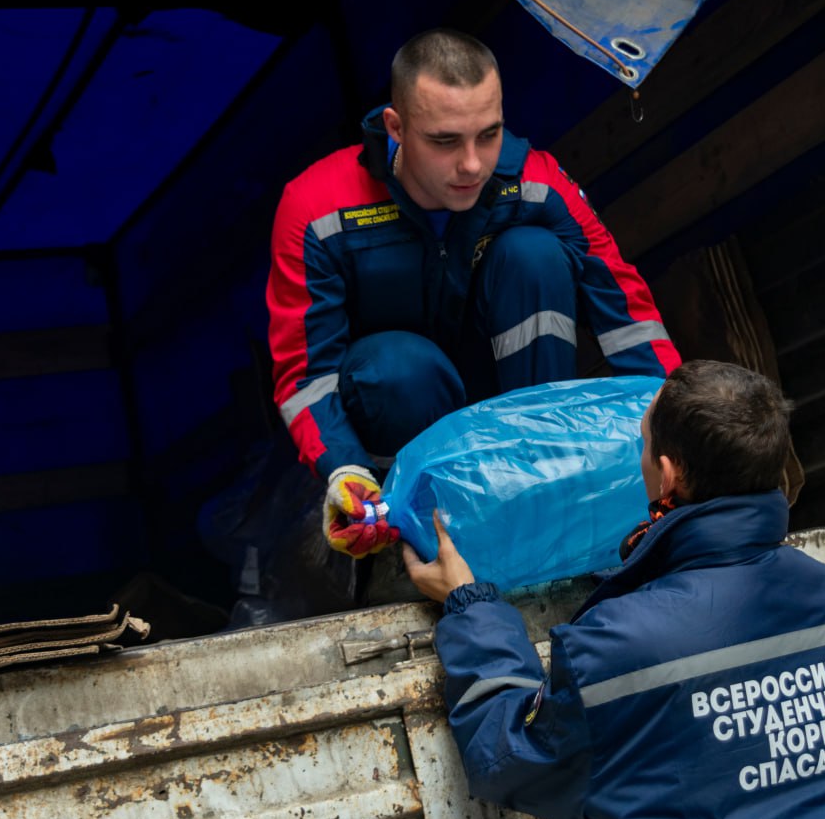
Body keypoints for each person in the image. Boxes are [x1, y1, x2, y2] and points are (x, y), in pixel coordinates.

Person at [403, 360, 825, 819]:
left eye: (642, 444)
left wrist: (470, 604)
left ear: (669, 475)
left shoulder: (617, 646)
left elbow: (507, 759)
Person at [267, 28, 680, 561]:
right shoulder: (317, 208)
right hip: (404, 416)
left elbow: (625, 312)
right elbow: (305, 376)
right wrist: (344, 469)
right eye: (445, 141)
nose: (472, 164)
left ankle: (549, 490)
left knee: (532, 254)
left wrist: (682, 423)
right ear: (396, 127)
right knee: (395, 364)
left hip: (520, 411)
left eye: (489, 134)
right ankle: (420, 526)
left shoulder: (535, 180)